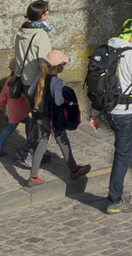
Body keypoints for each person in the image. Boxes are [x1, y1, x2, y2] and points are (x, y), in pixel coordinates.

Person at [88, 18, 132, 212]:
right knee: (122, 156)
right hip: (127, 114)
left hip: (109, 112)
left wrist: (95, 113)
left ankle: (116, 191)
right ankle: (115, 200)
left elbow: (98, 85)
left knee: (120, 153)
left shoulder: (106, 50)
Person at [0, 0, 52, 157]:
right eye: (47, 11)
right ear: (42, 15)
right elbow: (44, 63)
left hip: (23, 81)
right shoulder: (41, 35)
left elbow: (19, 57)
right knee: (41, 119)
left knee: (34, 115)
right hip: (36, 82)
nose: (48, 13)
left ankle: (33, 148)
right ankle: (31, 151)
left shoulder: (21, 32)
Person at [24, 48, 91, 186]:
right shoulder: (56, 82)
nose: (64, 66)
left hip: (40, 118)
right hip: (53, 120)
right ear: (59, 66)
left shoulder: (40, 76)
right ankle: (74, 171)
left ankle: (33, 177)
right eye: (63, 64)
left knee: (41, 146)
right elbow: (58, 101)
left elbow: (30, 92)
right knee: (64, 144)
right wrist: (65, 95)